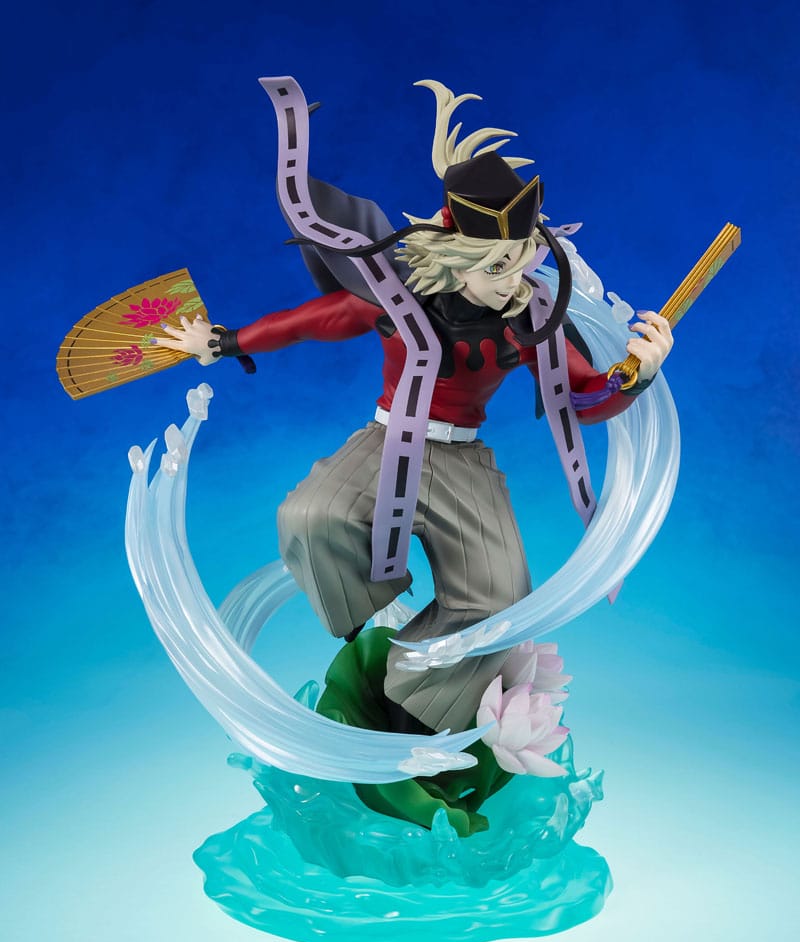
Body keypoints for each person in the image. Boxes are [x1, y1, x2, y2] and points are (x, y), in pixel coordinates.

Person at [154, 78, 672, 741]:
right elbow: (313, 320)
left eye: (520, 261)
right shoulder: (397, 297)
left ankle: (415, 708)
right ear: (456, 258)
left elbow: (580, 399)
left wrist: (636, 375)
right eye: (496, 267)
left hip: (463, 463)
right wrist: (226, 342)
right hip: (387, 442)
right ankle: (370, 620)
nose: (514, 280)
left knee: (500, 601)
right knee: (308, 518)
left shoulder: (528, 318)